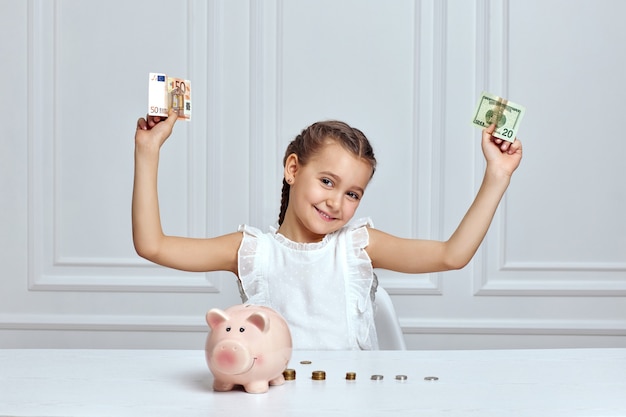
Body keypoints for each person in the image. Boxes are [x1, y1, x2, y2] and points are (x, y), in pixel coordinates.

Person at [133, 109, 522, 350]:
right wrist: (148, 151)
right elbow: (152, 246)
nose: (337, 203)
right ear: (293, 169)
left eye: (353, 193)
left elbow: (451, 256)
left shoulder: (357, 247)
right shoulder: (253, 251)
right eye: (327, 182)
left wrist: (497, 176)